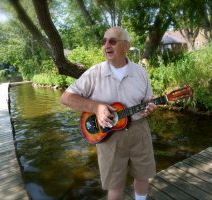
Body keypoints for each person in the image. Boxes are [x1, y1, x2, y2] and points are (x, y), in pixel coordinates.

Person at [60, 26, 157, 200]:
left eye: (112, 41)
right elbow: (66, 98)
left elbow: (148, 101)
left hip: (140, 131)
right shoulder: (93, 73)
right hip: (108, 136)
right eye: (104, 41)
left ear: (126, 46)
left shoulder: (141, 72)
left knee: (143, 175)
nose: (106, 46)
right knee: (115, 185)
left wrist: (150, 107)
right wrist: (96, 107)